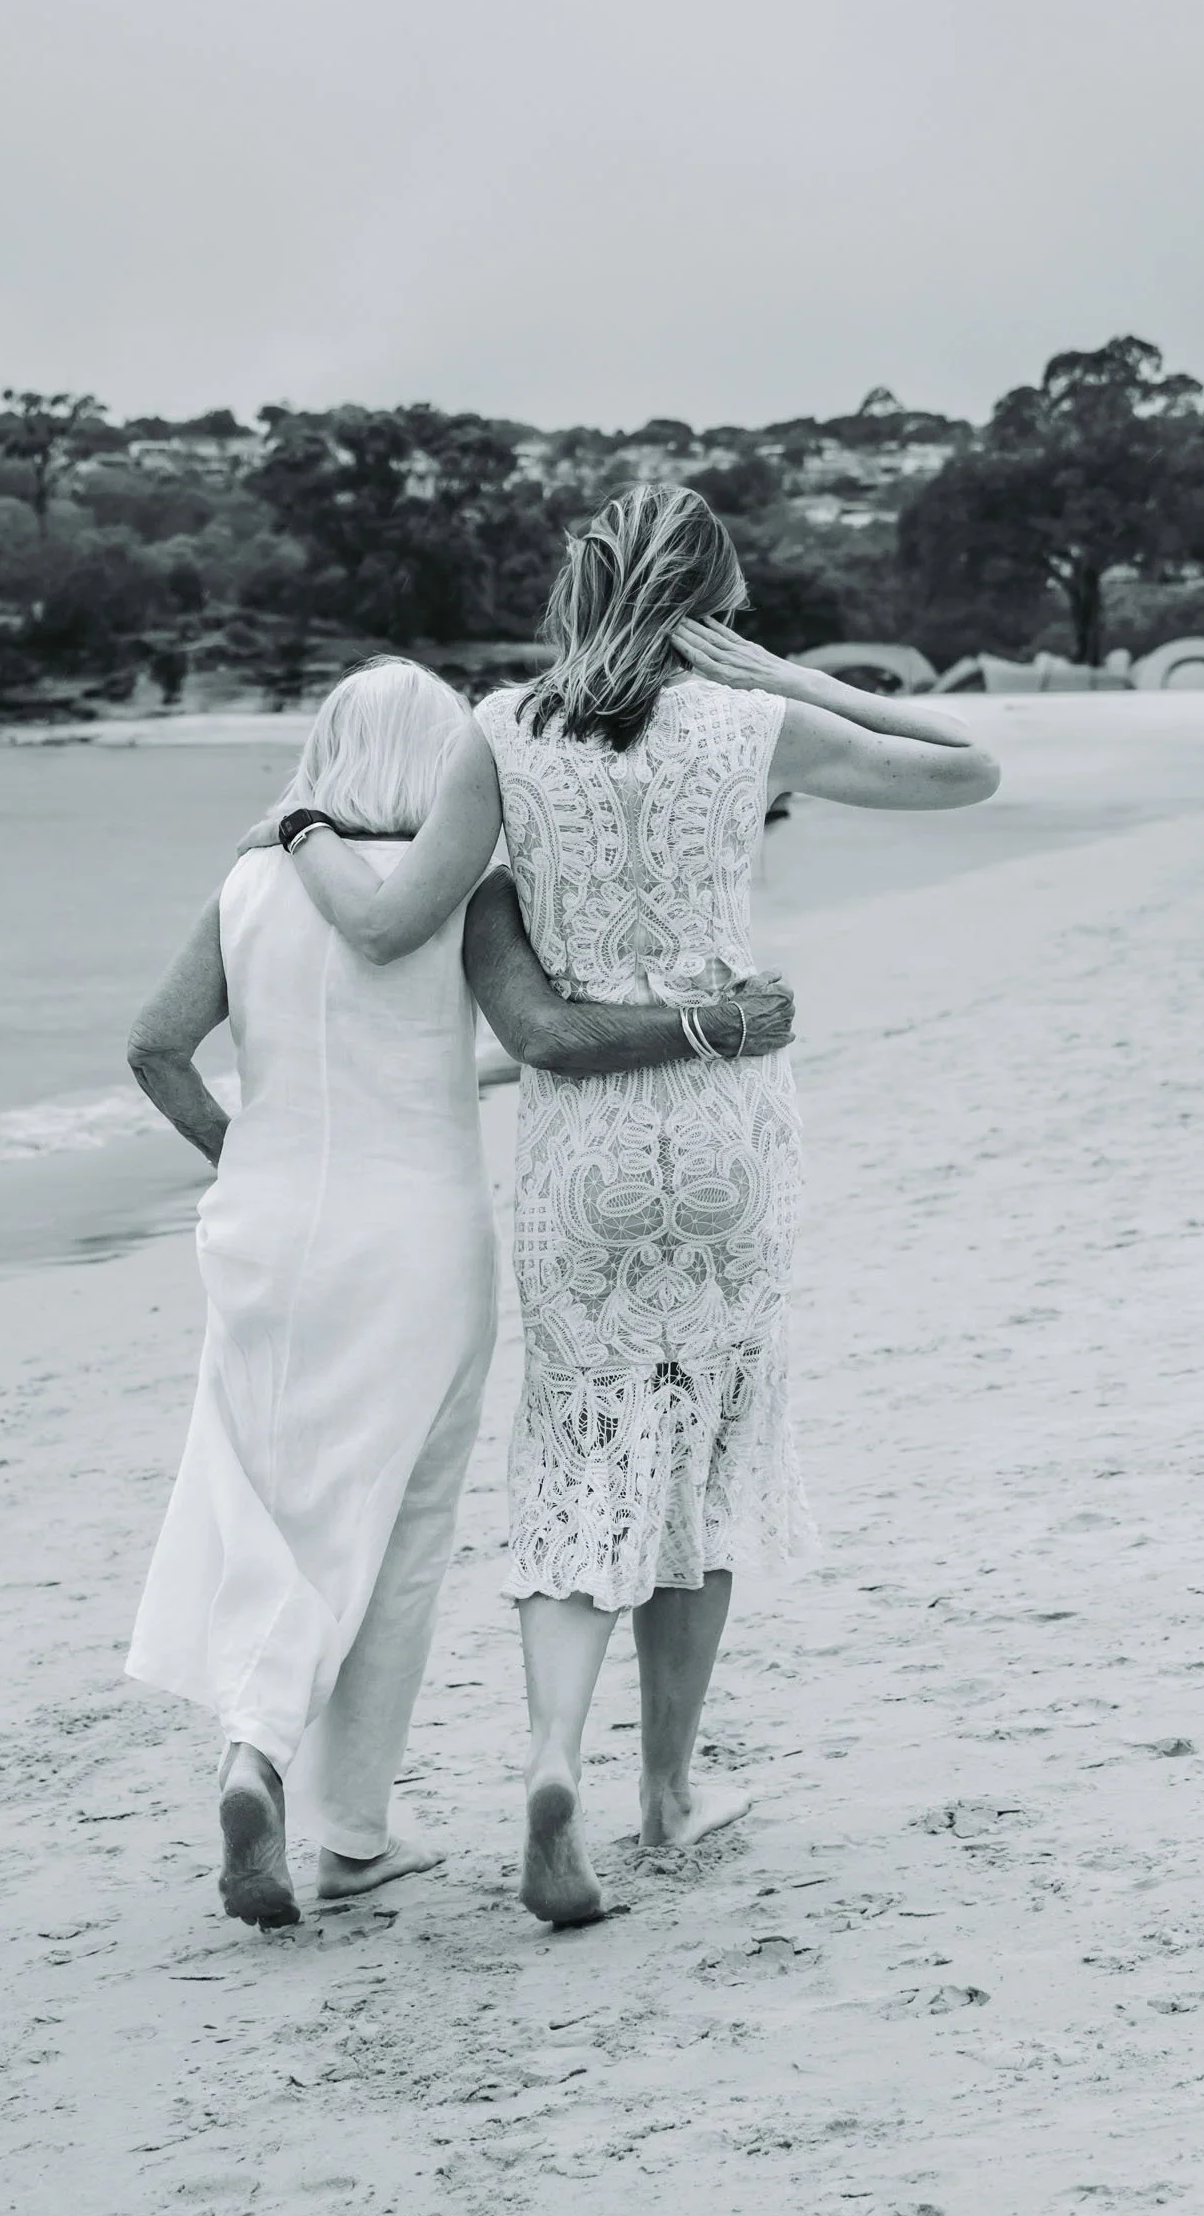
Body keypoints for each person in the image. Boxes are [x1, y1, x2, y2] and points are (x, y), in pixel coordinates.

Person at [282, 485, 999, 1925]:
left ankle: (554, 1759)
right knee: (704, 1457)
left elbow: (402, 917)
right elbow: (972, 769)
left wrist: (290, 842)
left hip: (581, 1144)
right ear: (710, 605)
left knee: (577, 1448)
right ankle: (667, 1789)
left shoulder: (501, 726)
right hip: (727, 1129)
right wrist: (790, 678)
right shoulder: (755, 726)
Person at [124, 656, 792, 1931]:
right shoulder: (467, 893)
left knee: (268, 1494)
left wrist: (242, 1154)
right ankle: (353, 1836)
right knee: (403, 1530)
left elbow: (157, 1048)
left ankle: (252, 1752)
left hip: (268, 1236)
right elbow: (538, 1034)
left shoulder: (252, 882)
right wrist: (716, 1025)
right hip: (418, 1240)